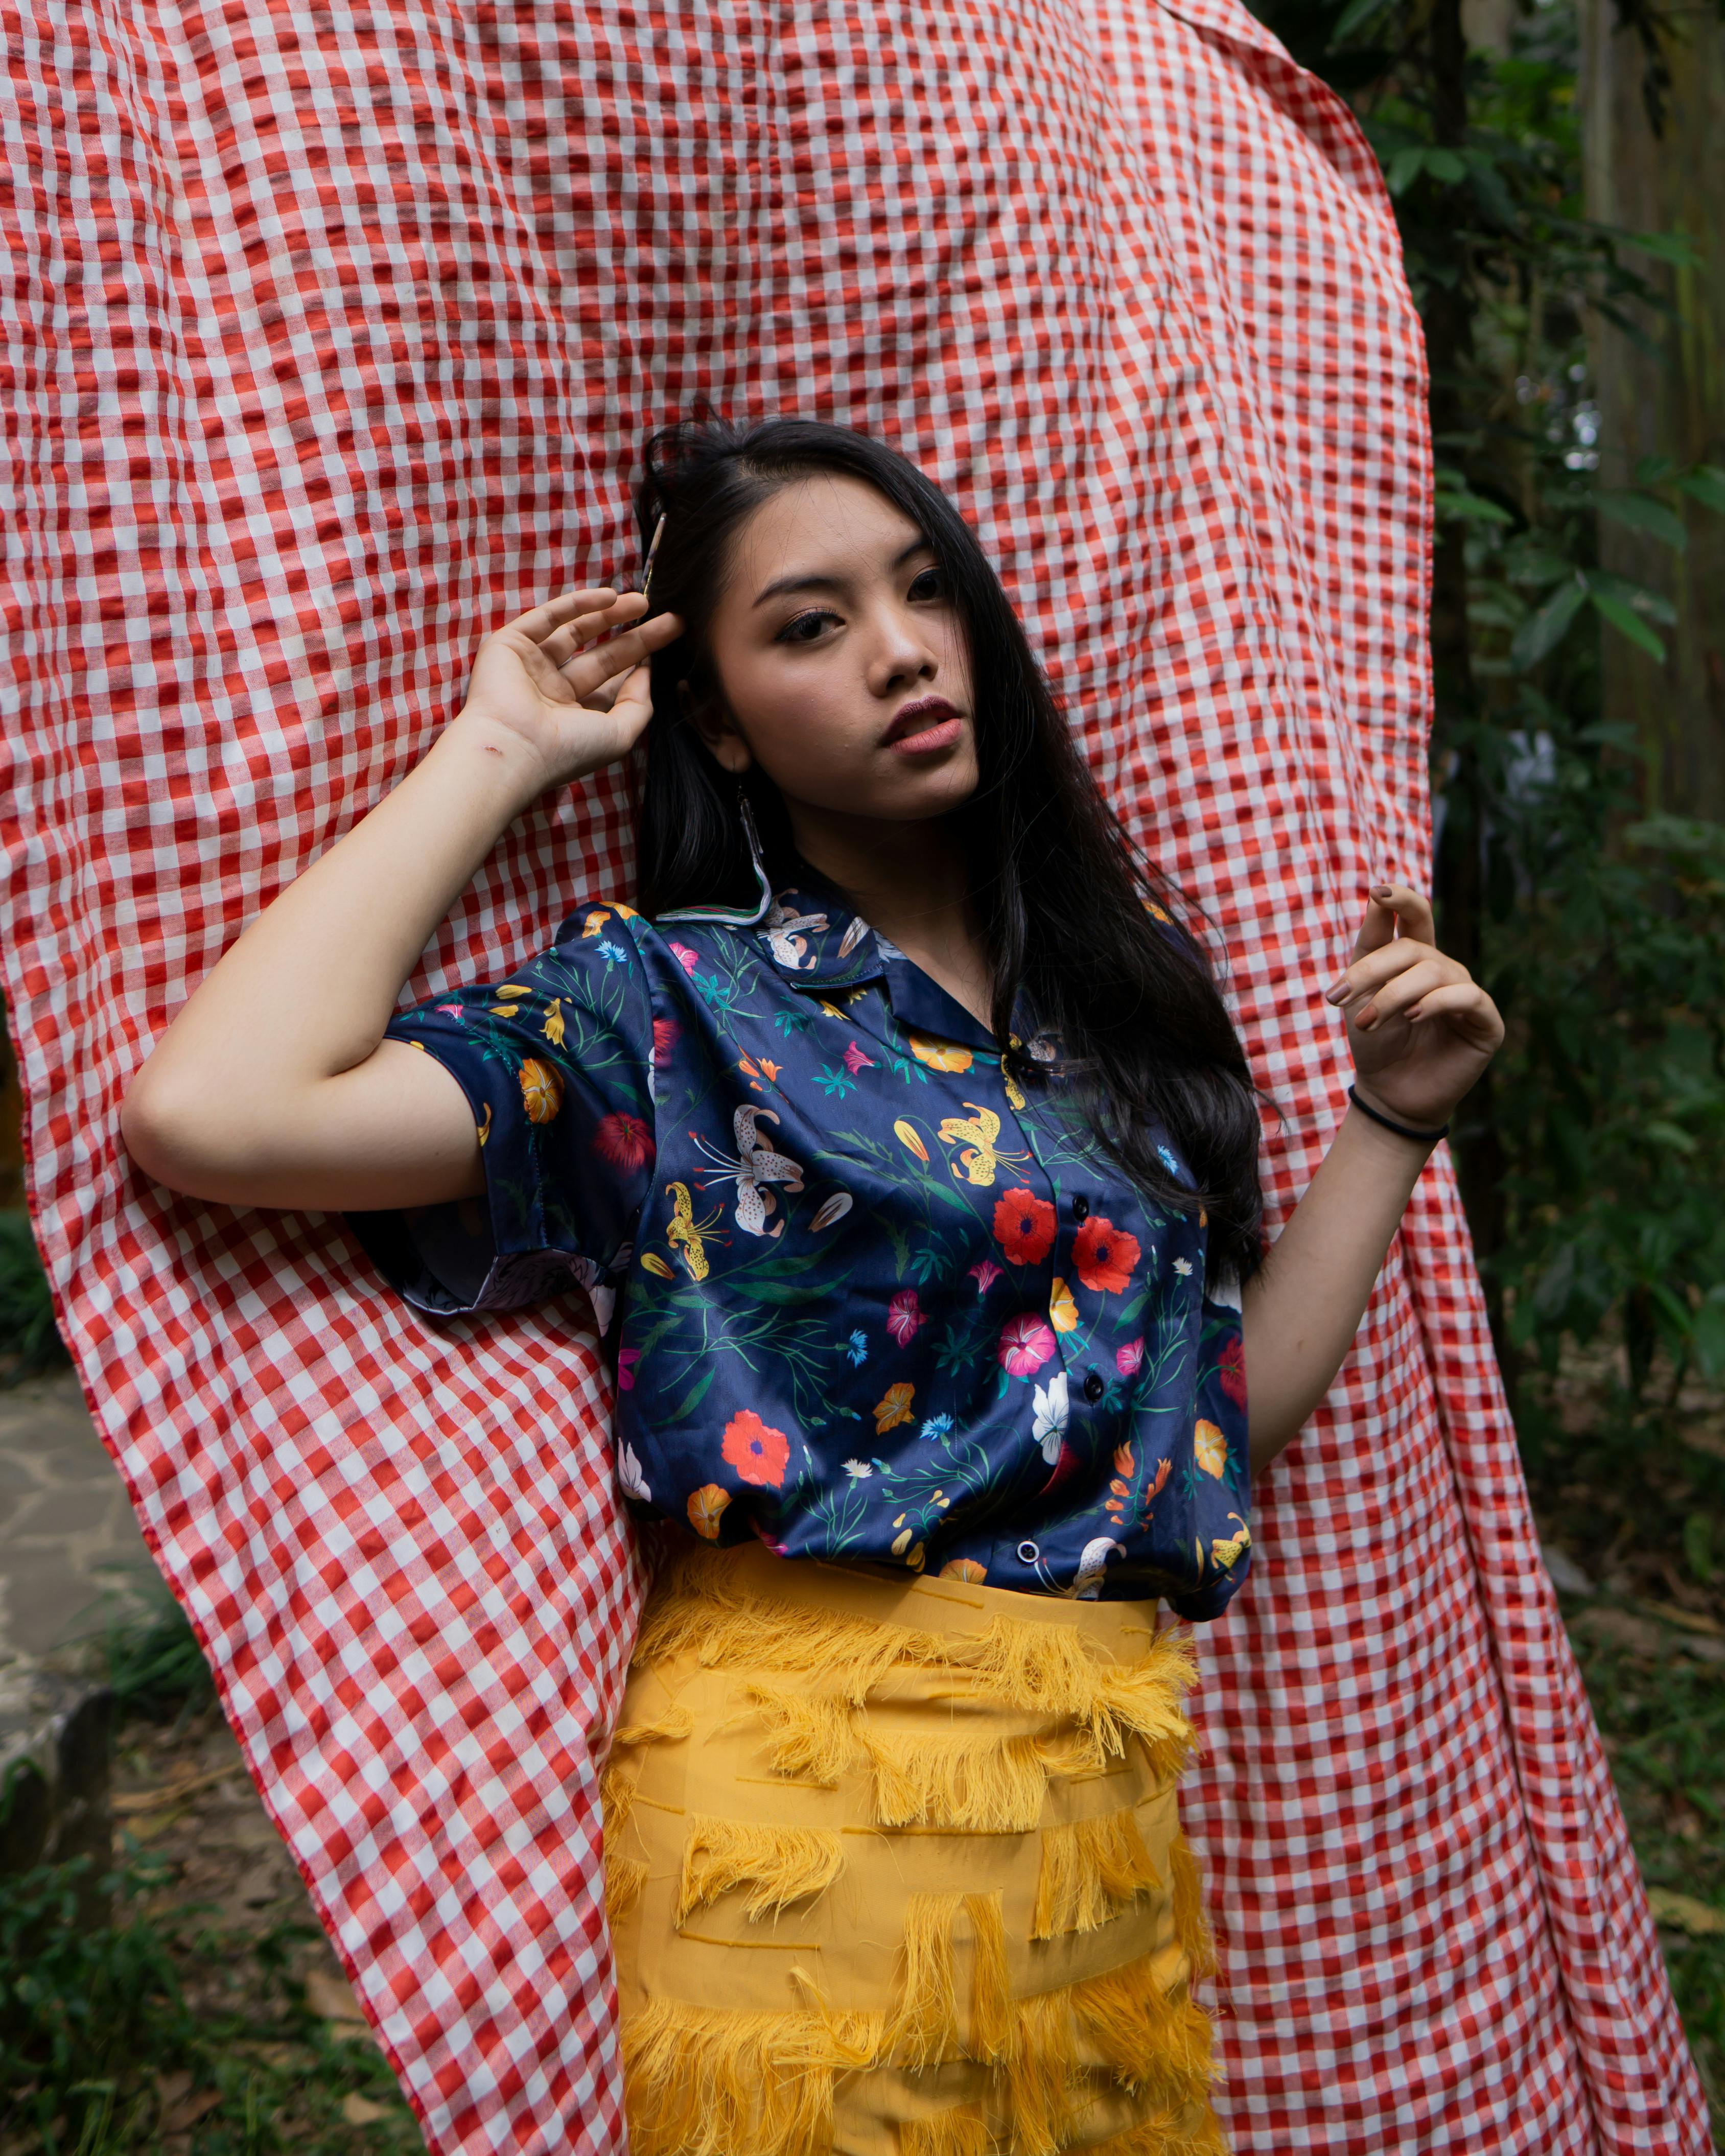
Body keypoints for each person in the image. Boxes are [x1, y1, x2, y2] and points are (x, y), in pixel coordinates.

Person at [120, 417, 1503, 2156]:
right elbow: (215, 1111)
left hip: (1104, 1829)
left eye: (926, 591)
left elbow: (1211, 1420)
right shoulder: (671, 1005)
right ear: (715, 717)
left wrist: (1391, 1116)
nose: (903, 649)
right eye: (809, 624)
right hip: (803, 1820)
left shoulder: (1113, 1002)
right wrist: (501, 745)